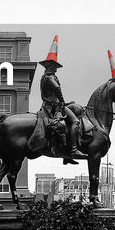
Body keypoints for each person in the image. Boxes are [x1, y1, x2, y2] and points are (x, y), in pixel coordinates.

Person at [37, 36, 79, 164]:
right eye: (54, 65)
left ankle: (67, 154)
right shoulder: (49, 77)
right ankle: (72, 150)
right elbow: (58, 90)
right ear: (50, 65)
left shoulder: (46, 76)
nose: (55, 68)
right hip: (54, 106)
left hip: (51, 104)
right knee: (75, 122)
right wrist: (62, 101)